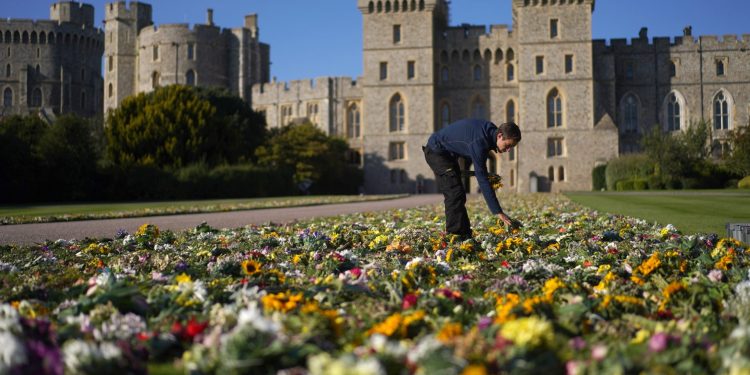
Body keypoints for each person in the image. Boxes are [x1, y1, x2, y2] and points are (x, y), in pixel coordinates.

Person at [423, 119, 521, 239]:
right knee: (454, 194)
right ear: (500, 136)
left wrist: (480, 173)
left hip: (449, 154)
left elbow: (469, 148)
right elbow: (482, 179)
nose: (508, 150)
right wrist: (498, 211)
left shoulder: (490, 131)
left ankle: (465, 234)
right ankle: (454, 235)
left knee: (459, 195)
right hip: (436, 152)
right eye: (508, 145)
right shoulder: (479, 142)